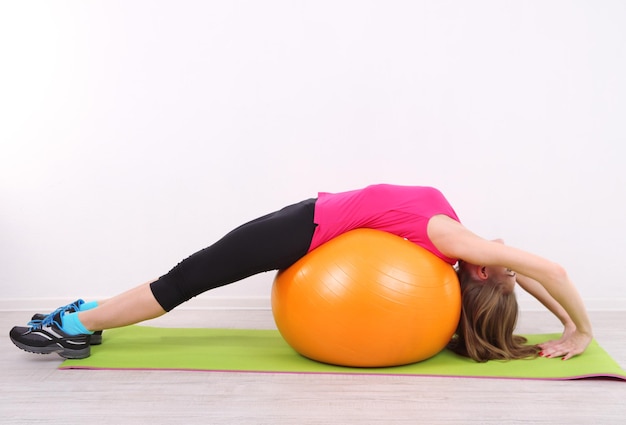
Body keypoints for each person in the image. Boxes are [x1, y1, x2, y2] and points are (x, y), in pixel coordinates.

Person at [9, 184, 593, 362]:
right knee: (185, 275)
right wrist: (570, 326)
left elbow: (547, 269)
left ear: (484, 274)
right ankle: (89, 315)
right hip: (310, 229)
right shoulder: (468, 251)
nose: (508, 255)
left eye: (504, 267)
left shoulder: (455, 242)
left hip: (302, 233)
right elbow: (532, 273)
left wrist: (580, 331)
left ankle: (78, 325)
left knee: (183, 281)